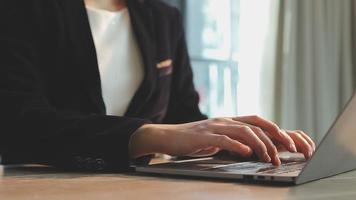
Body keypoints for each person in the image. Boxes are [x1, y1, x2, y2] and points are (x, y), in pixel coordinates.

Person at [0, 0, 315, 171]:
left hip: (144, 189)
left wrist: (240, 143)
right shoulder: (20, 9)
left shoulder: (163, 17)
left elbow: (183, 115)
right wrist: (148, 134)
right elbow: (18, 124)